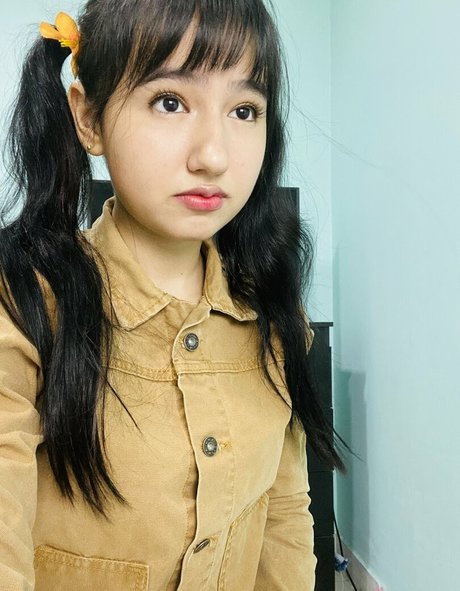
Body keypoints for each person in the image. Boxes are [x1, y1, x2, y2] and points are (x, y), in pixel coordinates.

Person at [0, 1, 344, 589]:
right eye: (169, 102)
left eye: (244, 110)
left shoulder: (273, 313)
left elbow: (283, 516)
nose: (214, 156)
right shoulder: (25, 306)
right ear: (89, 118)